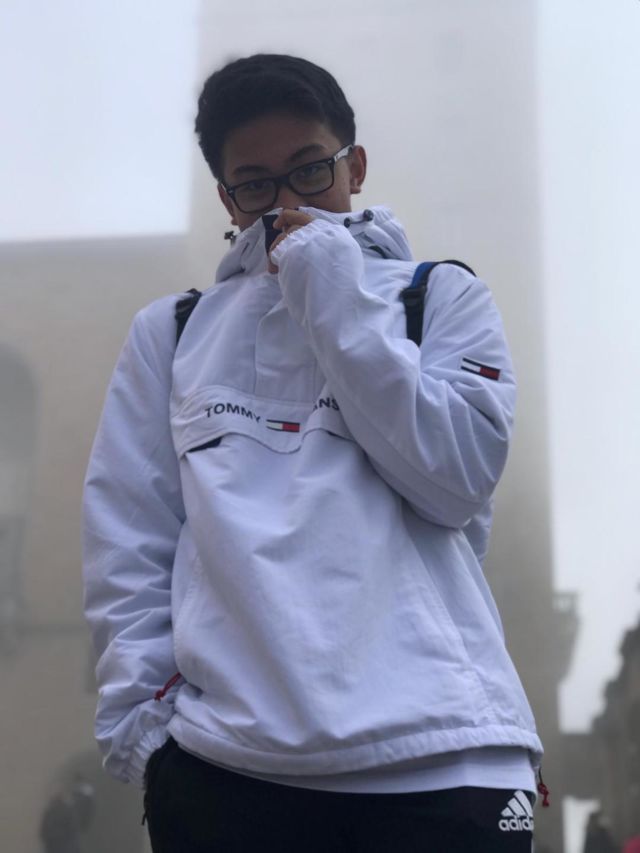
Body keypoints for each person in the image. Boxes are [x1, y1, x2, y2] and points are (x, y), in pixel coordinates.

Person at [83, 53, 543, 852]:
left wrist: (333, 292)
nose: (287, 204)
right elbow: (129, 535)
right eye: (256, 184)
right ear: (227, 199)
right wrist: (147, 730)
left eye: (309, 170)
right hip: (229, 769)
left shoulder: (440, 297)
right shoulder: (173, 333)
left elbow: (456, 480)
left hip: (449, 758)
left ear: (354, 166)